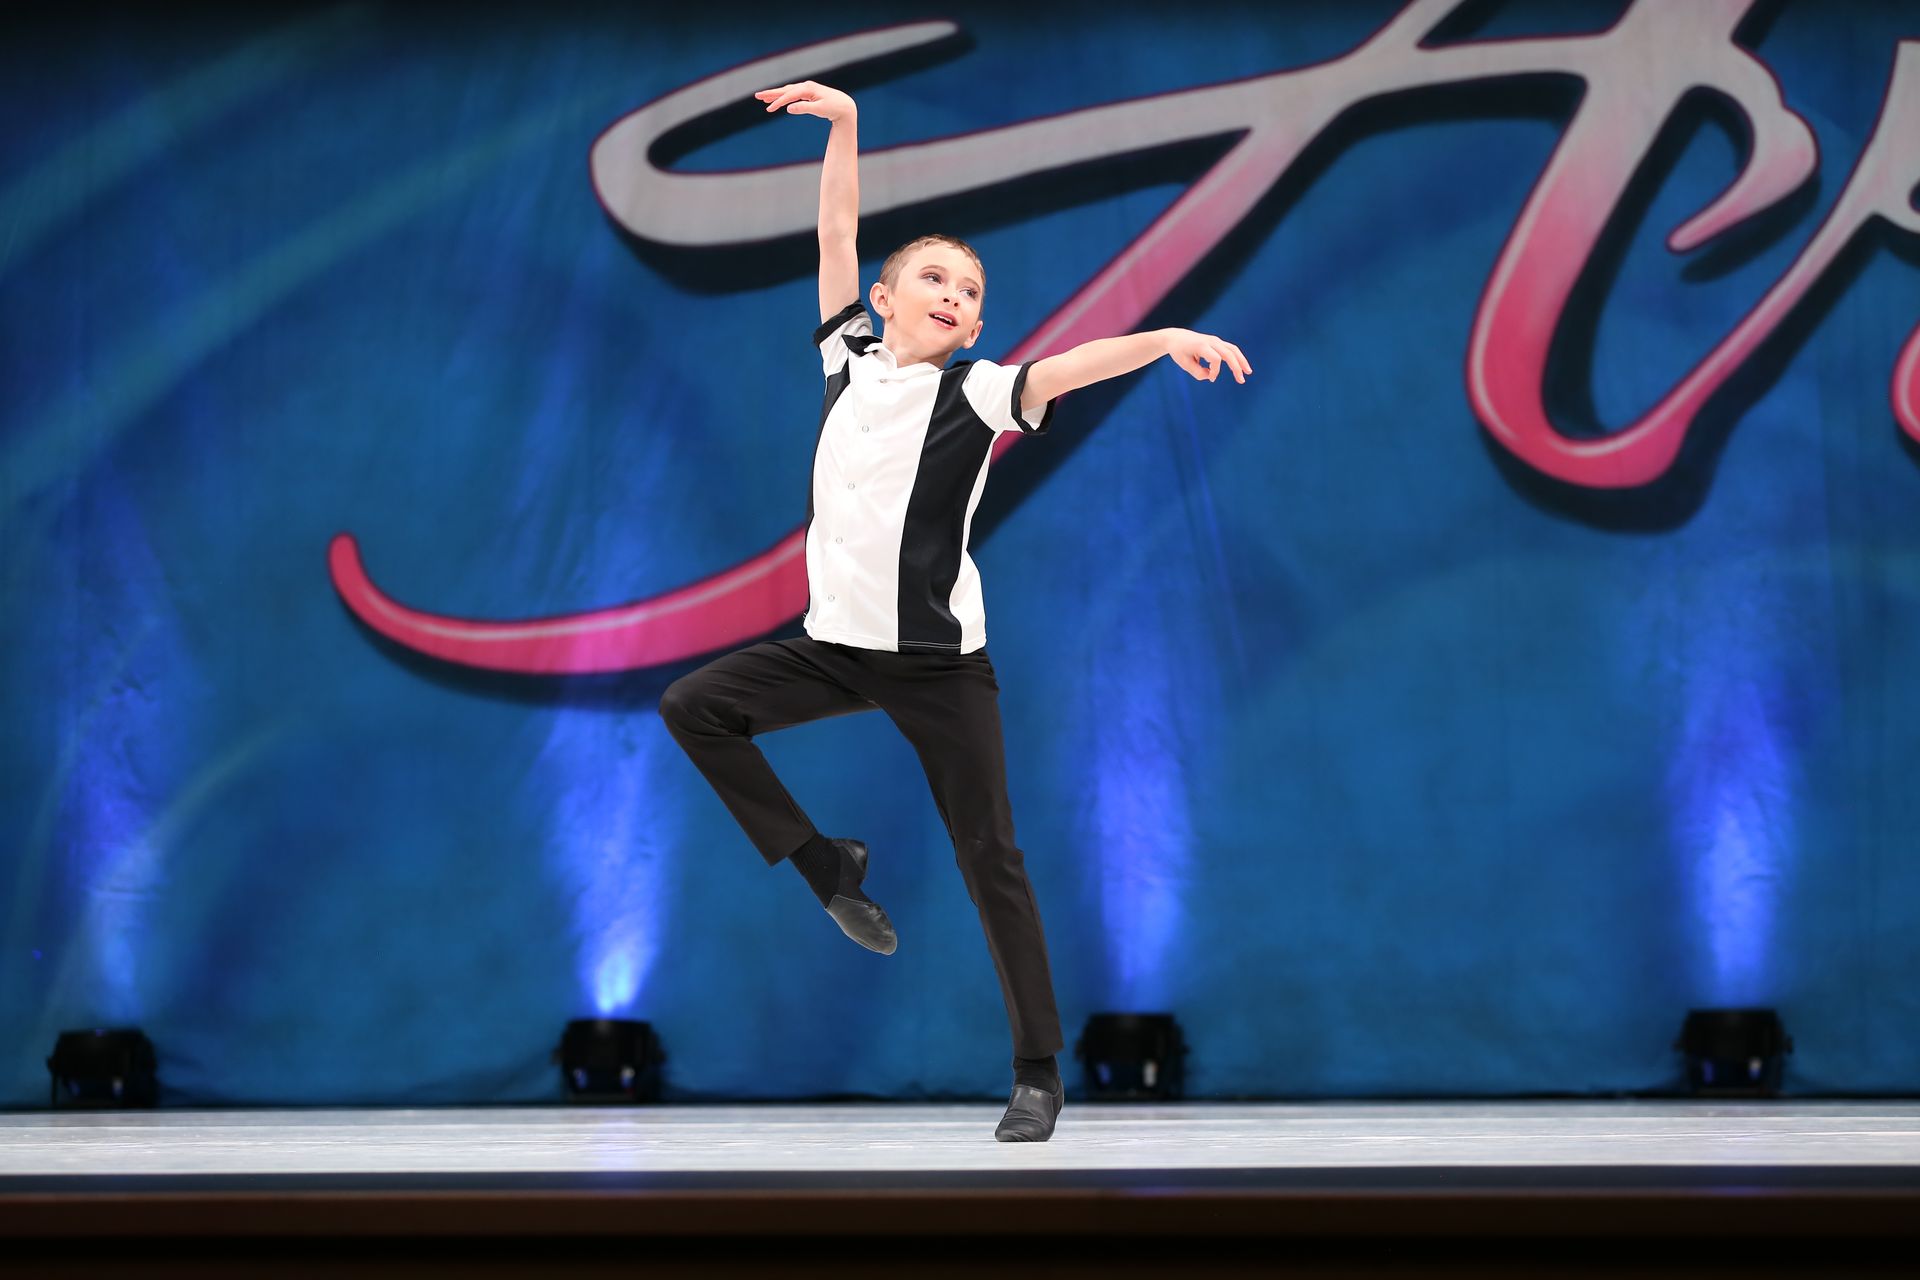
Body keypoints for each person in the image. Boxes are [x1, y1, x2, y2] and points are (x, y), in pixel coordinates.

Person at [658, 80, 1250, 1142]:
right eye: (932, 276)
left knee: (991, 855)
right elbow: (838, 227)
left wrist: (1159, 339)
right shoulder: (845, 358)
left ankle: (1037, 1072)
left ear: (976, 323)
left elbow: (1064, 366)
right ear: (884, 300)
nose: (953, 294)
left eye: (969, 290)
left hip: (938, 666)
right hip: (833, 648)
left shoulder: (974, 392)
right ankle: (823, 861)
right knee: (695, 704)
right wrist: (843, 125)